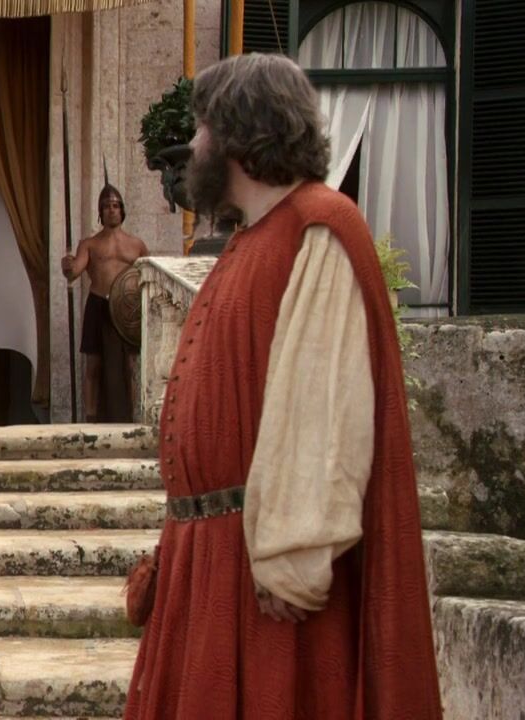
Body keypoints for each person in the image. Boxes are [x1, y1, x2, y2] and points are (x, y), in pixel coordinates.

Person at [125, 54, 441, 718]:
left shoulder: (318, 226)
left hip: (264, 578)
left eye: (203, 128)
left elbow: (324, 406)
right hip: (210, 562)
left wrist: (294, 558)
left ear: (238, 133)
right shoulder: (252, 239)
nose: (194, 146)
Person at [61, 185, 149, 422]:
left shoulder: (137, 245)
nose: (112, 210)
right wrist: (67, 266)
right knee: (93, 365)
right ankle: (91, 417)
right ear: (100, 212)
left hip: (125, 311)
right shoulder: (89, 244)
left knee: (130, 366)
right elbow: (75, 272)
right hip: (98, 305)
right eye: (107, 206)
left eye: (116, 205)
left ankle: (132, 417)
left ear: (122, 210)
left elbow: (149, 277)